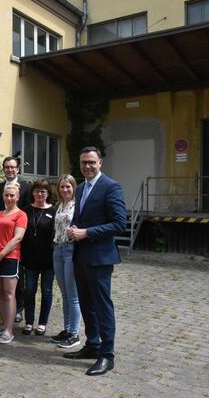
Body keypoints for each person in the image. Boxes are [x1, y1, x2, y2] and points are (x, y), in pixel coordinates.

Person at [65, 147, 126, 376]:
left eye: (91, 162)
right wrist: (74, 230)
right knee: (86, 304)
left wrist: (87, 232)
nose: (87, 166)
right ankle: (92, 346)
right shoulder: (80, 189)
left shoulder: (111, 187)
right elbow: (81, 219)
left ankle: (107, 355)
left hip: (100, 258)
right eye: (83, 163)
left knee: (102, 306)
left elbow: (119, 224)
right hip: (81, 256)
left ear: (100, 162)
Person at [0, 157, 30, 323]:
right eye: (7, 167)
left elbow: (27, 211)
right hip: (0, 236)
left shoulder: (27, 187)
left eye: (13, 167)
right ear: (3, 169)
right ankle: (7, 312)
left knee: (17, 277)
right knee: (2, 283)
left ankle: (18, 307)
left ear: (18, 169)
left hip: (19, 237)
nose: (10, 170)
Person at [0, 182, 27, 344]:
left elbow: (18, 238)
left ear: (17, 197)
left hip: (10, 257)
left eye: (12, 195)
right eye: (7, 195)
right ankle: (4, 324)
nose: (9, 198)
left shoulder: (21, 215)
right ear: (3, 197)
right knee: (0, 293)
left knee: (9, 293)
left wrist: (2, 254)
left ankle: (9, 330)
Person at [21, 179, 56, 336]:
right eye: (37, 190)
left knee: (46, 291)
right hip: (29, 259)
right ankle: (29, 322)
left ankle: (42, 323)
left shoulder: (54, 211)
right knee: (29, 291)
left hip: (49, 259)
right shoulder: (26, 210)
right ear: (32, 192)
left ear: (48, 193)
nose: (40, 193)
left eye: (43, 191)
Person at [51, 174, 82, 349]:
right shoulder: (60, 205)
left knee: (73, 295)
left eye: (68, 186)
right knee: (64, 294)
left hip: (70, 250)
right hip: (58, 249)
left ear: (73, 187)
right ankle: (67, 329)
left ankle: (74, 333)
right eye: (62, 187)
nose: (65, 190)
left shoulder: (77, 206)